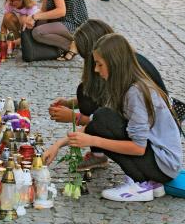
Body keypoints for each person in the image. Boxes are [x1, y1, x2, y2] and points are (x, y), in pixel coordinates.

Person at [67, 34, 182, 202]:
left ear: (114, 64)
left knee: (102, 120)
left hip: (163, 165)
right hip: (160, 159)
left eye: (100, 64)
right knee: (100, 120)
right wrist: (58, 146)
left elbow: (138, 148)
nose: (95, 70)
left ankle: (140, 184)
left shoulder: (136, 92)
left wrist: (93, 140)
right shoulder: (128, 85)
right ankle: (152, 183)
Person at [45, 19, 168, 171]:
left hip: (155, 147)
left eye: (97, 63)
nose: (94, 69)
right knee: (88, 96)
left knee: (95, 106)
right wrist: (70, 104)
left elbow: (107, 117)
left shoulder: (132, 83)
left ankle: (130, 173)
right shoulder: (124, 66)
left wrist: (76, 119)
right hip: (150, 139)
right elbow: (105, 104)